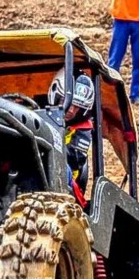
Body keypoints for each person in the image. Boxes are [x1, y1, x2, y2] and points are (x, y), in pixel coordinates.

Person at [49, 69, 96, 206]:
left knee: (60, 165)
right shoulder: (37, 112)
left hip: (66, 182)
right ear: (56, 96)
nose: (70, 110)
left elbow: (74, 157)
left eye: (77, 107)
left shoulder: (84, 129)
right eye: (66, 101)